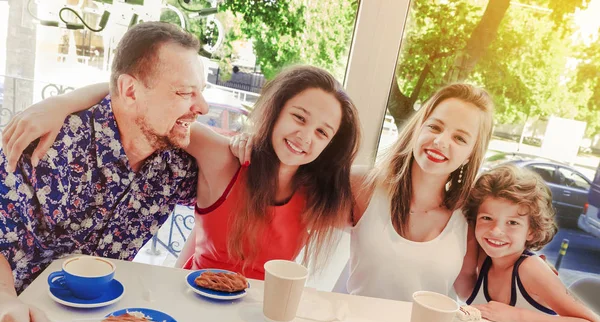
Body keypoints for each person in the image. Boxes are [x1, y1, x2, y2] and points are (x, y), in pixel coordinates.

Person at [4, 65, 361, 281]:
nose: (305, 137)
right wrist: (60, 103)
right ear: (277, 112)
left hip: (259, 318)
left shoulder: (321, 193)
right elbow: (140, 100)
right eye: (299, 117)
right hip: (194, 300)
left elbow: (398, 184)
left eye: (322, 132)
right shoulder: (223, 156)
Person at [0, 22, 208, 322]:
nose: (201, 107)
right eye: (185, 92)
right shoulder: (47, 144)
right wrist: (4, 303)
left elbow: (244, 174)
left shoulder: (177, 166)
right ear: (129, 91)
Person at [230, 83, 493, 301]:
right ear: (418, 128)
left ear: (472, 153)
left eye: (460, 138)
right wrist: (257, 143)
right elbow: (285, 186)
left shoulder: (471, 215)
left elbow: (471, 290)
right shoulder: (363, 186)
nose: (441, 141)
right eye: (435, 126)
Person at [464, 165, 600, 322]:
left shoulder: (530, 269)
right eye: (487, 218)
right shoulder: (484, 256)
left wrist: (516, 315)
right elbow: (464, 291)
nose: (496, 231)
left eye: (512, 222)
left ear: (531, 231)